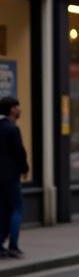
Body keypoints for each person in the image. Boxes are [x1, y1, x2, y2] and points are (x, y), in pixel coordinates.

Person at [0, 96, 29, 259]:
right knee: (16, 208)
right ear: (12, 109)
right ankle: (13, 245)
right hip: (11, 175)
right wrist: (25, 168)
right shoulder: (12, 129)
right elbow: (19, 152)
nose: (20, 109)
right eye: (18, 107)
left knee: (3, 209)